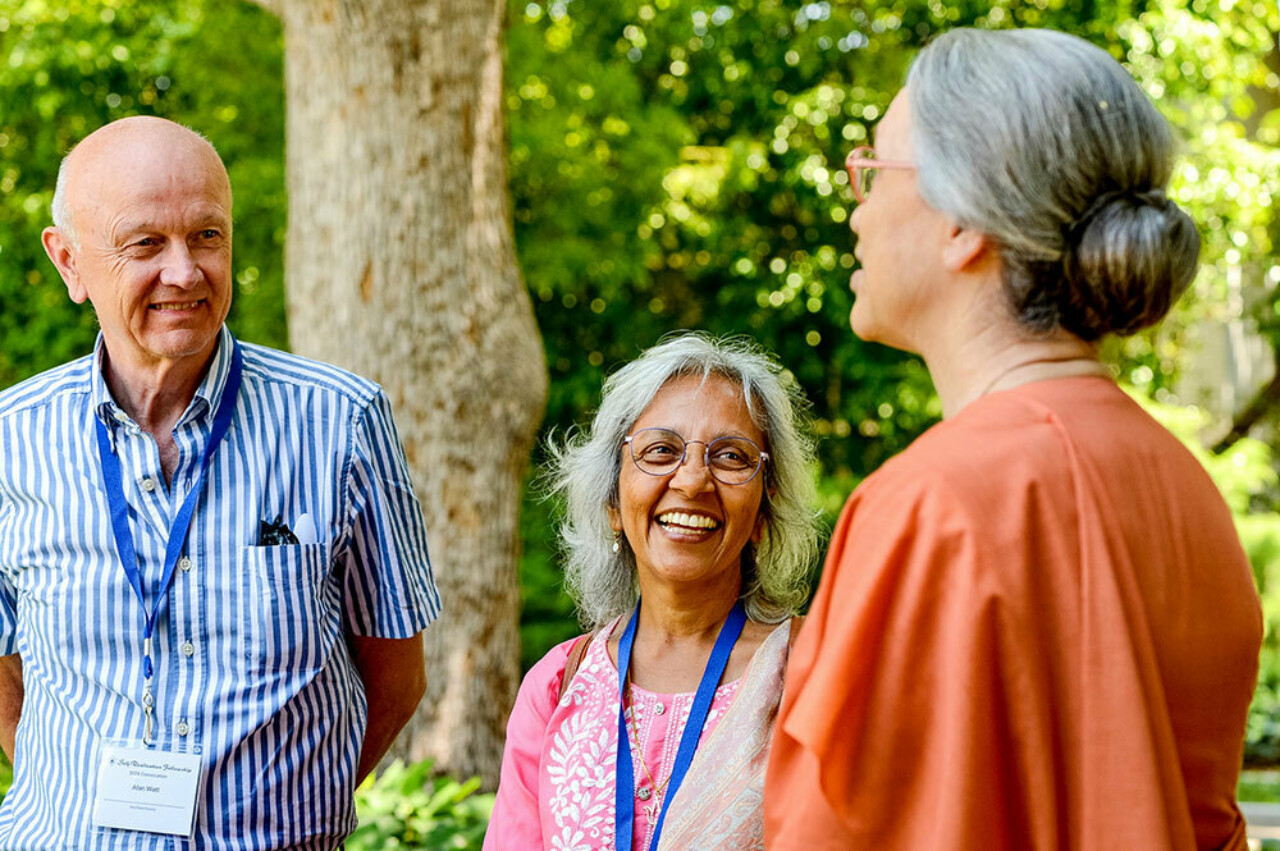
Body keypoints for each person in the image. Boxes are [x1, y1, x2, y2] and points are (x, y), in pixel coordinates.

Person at [764, 26, 1264, 850]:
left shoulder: (934, 503)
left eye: (875, 170)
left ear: (964, 222)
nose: (857, 204)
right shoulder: (1188, 492)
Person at [0, 116, 441, 849]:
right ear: (69, 262)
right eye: (145, 242)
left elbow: (397, 677)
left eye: (207, 235)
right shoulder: (11, 440)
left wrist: (287, 811)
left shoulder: (339, 423)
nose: (184, 271)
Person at [485, 334, 819, 850]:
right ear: (613, 502)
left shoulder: (813, 673)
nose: (692, 481)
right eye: (660, 451)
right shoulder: (554, 688)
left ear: (764, 508)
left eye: (731, 457)